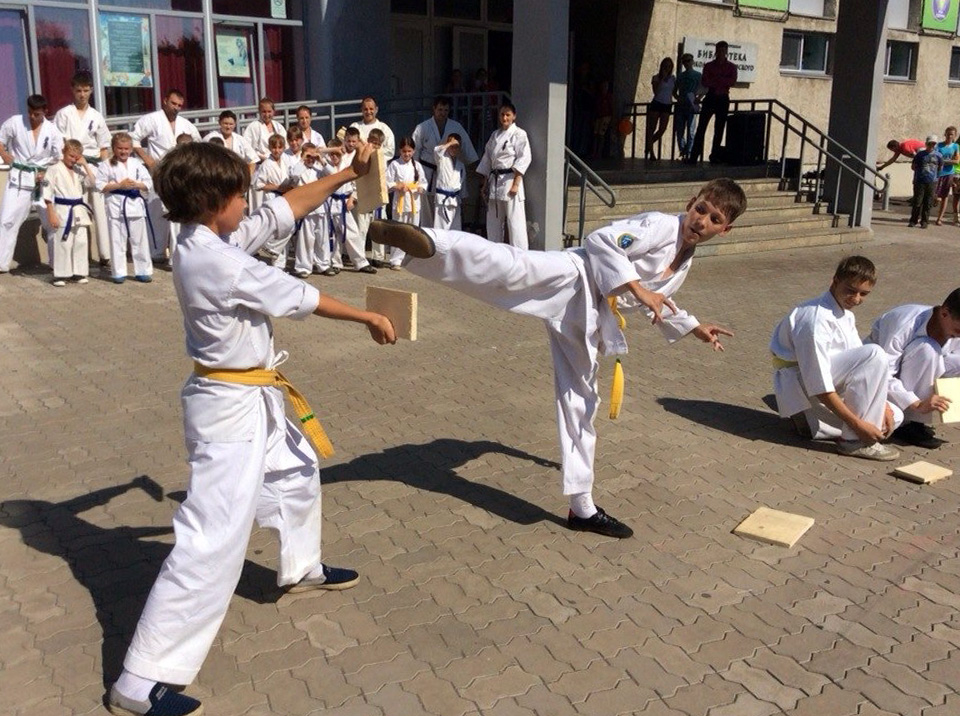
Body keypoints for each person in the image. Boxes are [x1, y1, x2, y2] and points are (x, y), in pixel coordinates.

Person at [105, 140, 395, 716]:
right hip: (228, 409)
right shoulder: (218, 261)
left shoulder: (201, 235)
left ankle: (301, 567)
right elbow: (304, 297)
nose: (250, 202)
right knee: (212, 537)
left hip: (250, 396)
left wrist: (346, 172)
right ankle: (138, 681)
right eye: (241, 194)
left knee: (296, 469)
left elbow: (284, 209)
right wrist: (369, 316)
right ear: (215, 202)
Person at [368, 178, 746, 538]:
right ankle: (430, 243)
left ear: (724, 230)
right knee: (514, 266)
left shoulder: (685, 261)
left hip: (591, 317)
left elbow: (657, 302)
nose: (701, 220)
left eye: (714, 219)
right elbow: (601, 240)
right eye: (701, 208)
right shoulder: (661, 226)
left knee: (582, 403)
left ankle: (582, 508)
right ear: (690, 203)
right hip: (575, 275)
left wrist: (693, 326)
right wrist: (636, 289)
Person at [770, 256, 903, 461]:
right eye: (851, 290)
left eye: (863, 293)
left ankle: (840, 429)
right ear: (834, 281)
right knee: (874, 353)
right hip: (804, 387)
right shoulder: (815, 320)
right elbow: (819, 384)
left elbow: (861, 366)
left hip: (828, 382)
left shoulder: (845, 313)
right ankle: (853, 441)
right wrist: (858, 426)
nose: (856, 299)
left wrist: (883, 405)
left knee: (896, 414)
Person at [866, 289, 960, 449]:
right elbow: (884, 374)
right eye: (959, 331)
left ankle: (918, 420)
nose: (959, 336)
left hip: (913, 371)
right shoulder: (904, 323)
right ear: (944, 313)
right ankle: (908, 423)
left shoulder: (952, 328)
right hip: (872, 375)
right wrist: (916, 404)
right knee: (928, 350)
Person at [130, 88, 201, 260]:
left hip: (180, 174)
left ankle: (177, 252)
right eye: (173, 103)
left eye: (179, 105)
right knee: (157, 213)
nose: (176, 108)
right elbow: (134, 138)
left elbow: (198, 144)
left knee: (177, 212)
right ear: (165, 101)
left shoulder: (186, 125)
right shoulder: (152, 119)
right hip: (158, 171)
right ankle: (157, 252)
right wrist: (148, 160)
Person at [0, 94, 64, 274]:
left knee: (52, 223)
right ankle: (1, 263)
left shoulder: (53, 131)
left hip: (42, 180)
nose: (32, 117)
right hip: (19, 178)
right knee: (6, 220)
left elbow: (58, 158)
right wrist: (4, 155)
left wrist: (46, 172)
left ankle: (57, 263)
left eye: (36, 114)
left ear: (45, 112)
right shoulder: (15, 122)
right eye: (29, 113)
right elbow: (0, 140)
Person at [54, 71, 111, 267]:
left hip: (93, 166)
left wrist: (105, 171)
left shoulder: (96, 116)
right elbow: (59, 143)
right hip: (71, 166)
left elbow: (103, 147)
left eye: (86, 90)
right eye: (78, 90)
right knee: (76, 210)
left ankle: (105, 254)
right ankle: (80, 256)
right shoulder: (64, 114)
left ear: (92, 91)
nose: (82, 94)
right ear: (72, 90)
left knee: (100, 211)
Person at [96, 132, 154, 284]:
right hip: (116, 205)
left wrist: (137, 184)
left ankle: (143, 270)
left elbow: (148, 182)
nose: (123, 151)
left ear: (131, 149)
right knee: (117, 241)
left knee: (139, 240)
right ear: (114, 148)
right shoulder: (106, 164)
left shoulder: (136, 163)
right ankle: (118, 272)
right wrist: (119, 185)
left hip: (135, 204)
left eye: (127, 148)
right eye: (120, 148)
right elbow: (100, 185)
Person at [411, 96, 479, 225]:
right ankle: (427, 237)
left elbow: (466, 147)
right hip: (426, 171)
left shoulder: (456, 126)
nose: (443, 113)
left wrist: (474, 165)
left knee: (441, 211)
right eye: (440, 110)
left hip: (445, 173)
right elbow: (415, 150)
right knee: (427, 210)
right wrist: (415, 171)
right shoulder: (423, 127)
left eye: (446, 110)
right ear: (434, 109)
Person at [477, 102, 532, 249]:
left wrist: (516, 183)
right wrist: (484, 184)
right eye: (502, 114)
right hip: (494, 181)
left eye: (508, 114)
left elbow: (524, 158)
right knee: (493, 221)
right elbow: (487, 159)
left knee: (515, 222)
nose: (504, 117)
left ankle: (521, 256)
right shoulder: (495, 135)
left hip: (510, 180)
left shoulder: (519, 134)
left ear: (514, 116)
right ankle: (495, 254)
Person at [42, 138, 96, 287]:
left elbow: (92, 183)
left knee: (81, 242)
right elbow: (46, 193)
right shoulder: (54, 169)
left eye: (76, 157)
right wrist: (51, 213)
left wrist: (85, 164)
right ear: (63, 152)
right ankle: (61, 274)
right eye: (71, 156)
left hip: (78, 210)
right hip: (62, 210)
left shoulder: (79, 170)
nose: (73, 159)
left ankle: (78, 272)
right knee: (63, 243)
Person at [253, 134, 298, 268]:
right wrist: (277, 187)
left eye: (279, 147)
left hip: (287, 196)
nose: (277, 150)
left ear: (284, 148)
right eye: (274, 148)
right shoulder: (266, 164)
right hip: (273, 197)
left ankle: (277, 258)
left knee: (289, 228)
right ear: (270, 148)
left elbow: (293, 176)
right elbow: (258, 185)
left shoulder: (287, 160)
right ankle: (276, 261)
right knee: (281, 229)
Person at [688, 41, 737, 164]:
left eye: (723, 50)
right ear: (716, 51)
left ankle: (714, 155)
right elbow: (705, 82)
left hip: (723, 98)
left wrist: (717, 79)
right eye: (719, 50)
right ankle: (694, 156)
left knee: (719, 129)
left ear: (726, 51)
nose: (720, 53)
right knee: (701, 127)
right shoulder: (709, 66)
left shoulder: (731, 66)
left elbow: (731, 81)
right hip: (711, 97)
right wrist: (720, 80)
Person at [385, 137, 427, 270]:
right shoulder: (394, 164)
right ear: (400, 151)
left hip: (414, 201)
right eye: (404, 151)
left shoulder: (417, 165)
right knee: (400, 230)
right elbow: (386, 182)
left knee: (414, 231)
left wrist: (421, 188)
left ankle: (411, 258)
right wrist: (397, 186)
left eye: (409, 151)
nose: (407, 154)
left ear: (413, 151)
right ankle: (395, 260)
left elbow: (424, 182)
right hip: (401, 202)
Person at [340, 126, 377, 274]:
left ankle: (360, 262)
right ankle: (332, 261)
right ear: (344, 139)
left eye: (354, 141)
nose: (351, 144)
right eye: (348, 141)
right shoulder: (337, 153)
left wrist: (352, 197)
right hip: (335, 197)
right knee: (330, 233)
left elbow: (360, 180)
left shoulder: (360, 155)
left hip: (351, 196)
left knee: (354, 231)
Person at [244, 97, 286, 212]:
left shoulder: (278, 127)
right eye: (264, 111)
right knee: (259, 206)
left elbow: (284, 146)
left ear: (274, 111)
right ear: (259, 112)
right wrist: (261, 157)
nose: (266, 114)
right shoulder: (253, 126)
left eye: (269, 111)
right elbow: (247, 147)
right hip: (259, 167)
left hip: (276, 165)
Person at [432, 133, 467, 231]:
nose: (453, 149)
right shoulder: (441, 159)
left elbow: (462, 185)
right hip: (442, 200)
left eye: (456, 147)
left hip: (455, 201)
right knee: (440, 229)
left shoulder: (461, 166)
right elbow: (436, 150)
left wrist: (463, 201)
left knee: (455, 230)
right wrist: (449, 143)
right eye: (451, 146)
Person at [908, 135, 943, 229]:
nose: (931, 145)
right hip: (920, 180)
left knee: (928, 202)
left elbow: (940, 167)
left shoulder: (938, 155)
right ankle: (913, 220)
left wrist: (936, 177)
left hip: (932, 181)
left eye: (933, 144)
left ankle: (925, 221)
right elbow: (913, 166)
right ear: (926, 143)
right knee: (917, 201)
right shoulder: (920, 154)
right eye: (930, 143)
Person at [645, 57, 675, 161]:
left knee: (662, 129)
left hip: (667, 104)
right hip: (657, 103)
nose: (667, 68)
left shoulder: (673, 79)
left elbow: (673, 92)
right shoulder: (656, 78)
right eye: (665, 66)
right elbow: (656, 92)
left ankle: (649, 143)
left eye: (669, 66)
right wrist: (662, 79)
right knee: (651, 128)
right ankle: (651, 153)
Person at [673, 54, 701, 162]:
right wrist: (677, 98)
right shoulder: (680, 76)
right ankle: (683, 151)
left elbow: (703, 89)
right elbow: (674, 91)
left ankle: (688, 153)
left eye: (688, 61)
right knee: (679, 131)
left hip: (691, 106)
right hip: (681, 106)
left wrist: (698, 98)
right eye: (684, 62)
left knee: (691, 131)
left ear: (692, 61)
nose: (686, 63)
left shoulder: (698, 75)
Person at [934, 127, 958, 226]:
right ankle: (922, 216)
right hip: (938, 173)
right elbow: (936, 159)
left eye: (952, 134)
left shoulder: (955, 146)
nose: (949, 136)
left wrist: (943, 161)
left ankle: (939, 218)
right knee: (934, 196)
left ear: (955, 136)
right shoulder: (939, 146)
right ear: (945, 134)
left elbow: (956, 161)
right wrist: (948, 162)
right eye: (948, 134)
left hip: (949, 173)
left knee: (945, 196)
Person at [591, 79, 614, 160]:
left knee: (601, 135)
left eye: (605, 86)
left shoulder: (609, 97)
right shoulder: (599, 96)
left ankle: (599, 153)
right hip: (598, 117)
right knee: (595, 134)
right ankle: (594, 152)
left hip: (606, 117)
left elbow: (611, 107)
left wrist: (612, 118)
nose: (604, 88)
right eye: (603, 86)